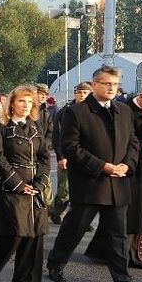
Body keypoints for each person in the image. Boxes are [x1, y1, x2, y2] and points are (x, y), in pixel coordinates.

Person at [46, 66, 142, 282]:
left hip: (118, 184)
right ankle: (56, 263)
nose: (111, 88)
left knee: (117, 236)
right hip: (91, 183)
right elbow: (71, 147)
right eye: (106, 83)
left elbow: (133, 142)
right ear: (94, 84)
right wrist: (102, 166)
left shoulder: (123, 110)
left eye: (115, 84)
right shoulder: (77, 112)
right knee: (74, 227)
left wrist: (127, 166)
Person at [84, 76, 142, 269]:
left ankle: (131, 254)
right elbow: (115, 142)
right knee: (124, 213)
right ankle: (122, 255)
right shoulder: (123, 111)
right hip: (125, 168)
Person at [0, 85, 50, 282]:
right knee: (11, 236)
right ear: (12, 103)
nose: (26, 106)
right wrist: (18, 183)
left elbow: (44, 157)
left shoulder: (35, 126)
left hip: (35, 189)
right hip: (11, 188)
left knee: (33, 237)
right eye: (22, 101)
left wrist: (41, 182)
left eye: (30, 102)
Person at [50, 82, 92, 224]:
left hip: (86, 158)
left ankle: (81, 222)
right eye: (80, 93)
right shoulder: (65, 112)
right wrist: (61, 156)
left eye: (85, 93)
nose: (82, 95)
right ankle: (56, 211)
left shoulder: (93, 112)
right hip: (68, 157)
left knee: (84, 193)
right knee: (64, 192)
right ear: (75, 94)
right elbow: (58, 136)